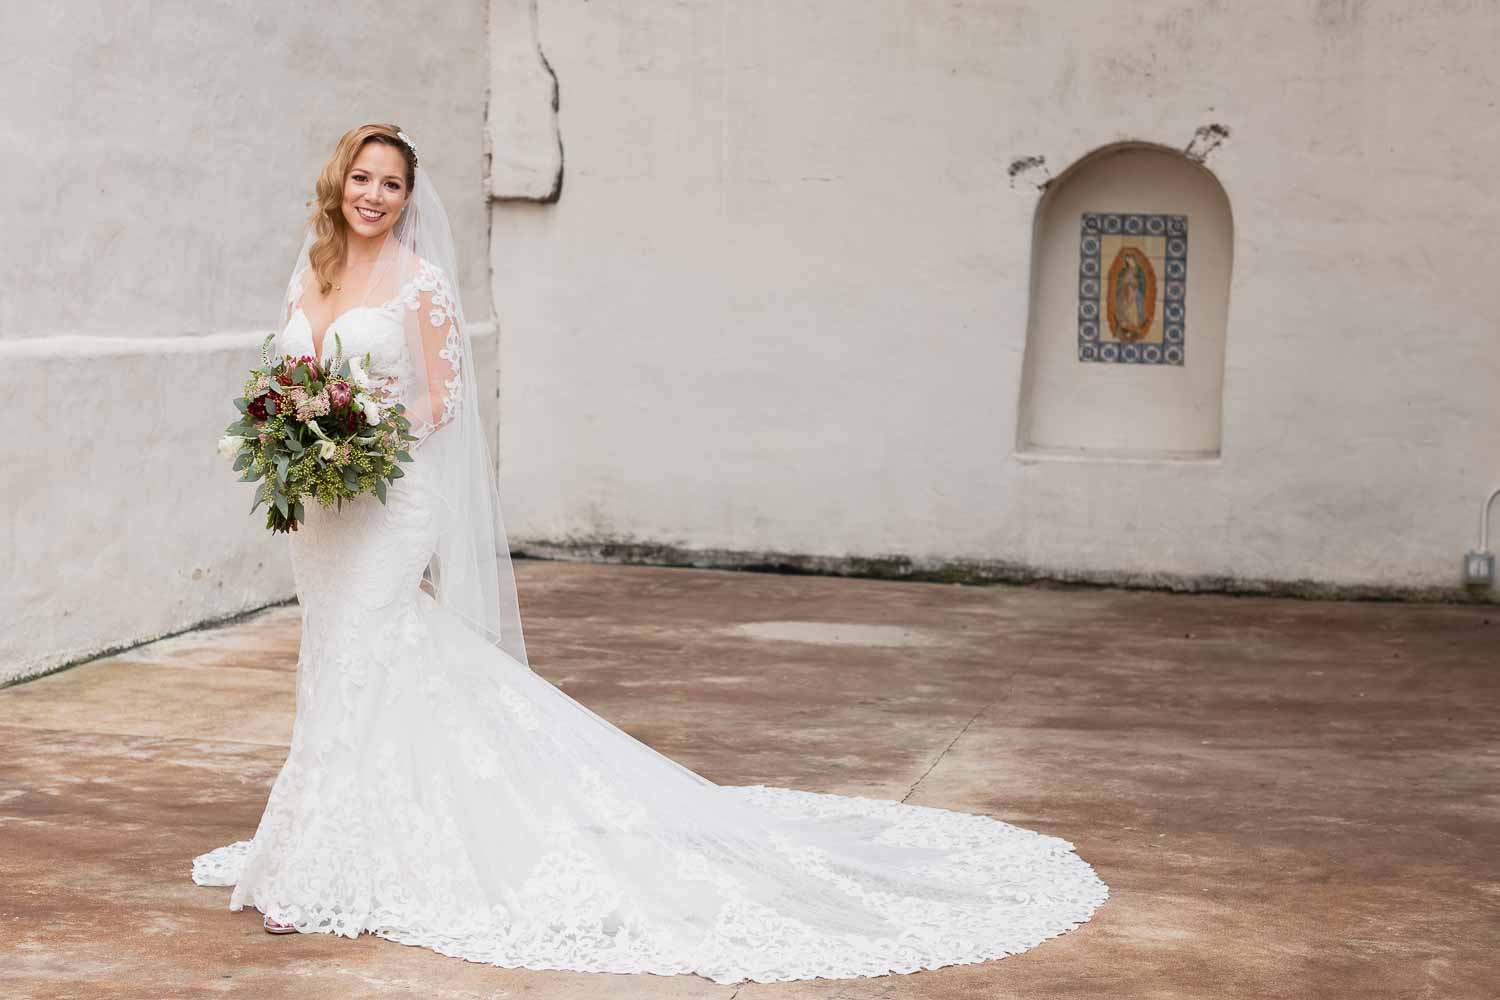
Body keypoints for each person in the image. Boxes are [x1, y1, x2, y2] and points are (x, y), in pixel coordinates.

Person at [192, 122, 1109, 985]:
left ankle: (330, 867)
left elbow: (444, 401)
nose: (375, 194)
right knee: (333, 659)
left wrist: (358, 430)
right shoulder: (308, 272)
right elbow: (282, 377)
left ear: (408, 197)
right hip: (321, 510)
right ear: (338, 181)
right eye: (363, 177)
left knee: (370, 653)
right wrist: (295, 437)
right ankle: (322, 840)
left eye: (392, 183)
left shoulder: (419, 282)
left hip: (390, 500)